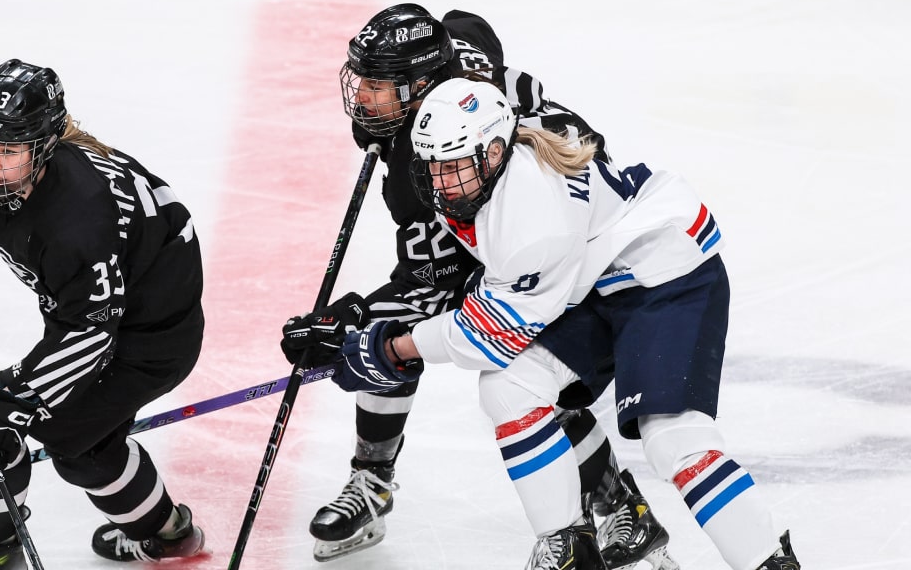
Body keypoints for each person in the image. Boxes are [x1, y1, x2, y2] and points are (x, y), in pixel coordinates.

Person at [331, 78, 802, 570]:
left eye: (454, 167)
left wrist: (393, 349)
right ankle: (570, 550)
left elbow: (487, 334)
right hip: (594, 281)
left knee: (672, 438)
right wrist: (369, 323)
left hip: (666, 274)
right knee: (510, 386)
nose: (442, 182)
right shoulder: (491, 171)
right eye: (434, 166)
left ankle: (767, 562)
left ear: (494, 152)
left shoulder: (531, 219)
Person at [279, 3, 676, 568]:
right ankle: (373, 480)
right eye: (361, 79)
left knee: (520, 369)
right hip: (536, 224)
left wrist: (353, 322)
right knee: (396, 335)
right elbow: (466, 24)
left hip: (572, 252)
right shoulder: (449, 89)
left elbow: (433, 285)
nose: (361, 96)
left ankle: (617, 505)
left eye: (377, 84)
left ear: (420, 88)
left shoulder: (436, 163)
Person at [0, 59, 208, 569]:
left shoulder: (78, 220)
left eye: (8, 152)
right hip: (91, 305)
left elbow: (90, 333)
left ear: (44, 146)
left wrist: (16, 403)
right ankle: (169, 535)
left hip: (151, 335)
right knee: (82, 446)